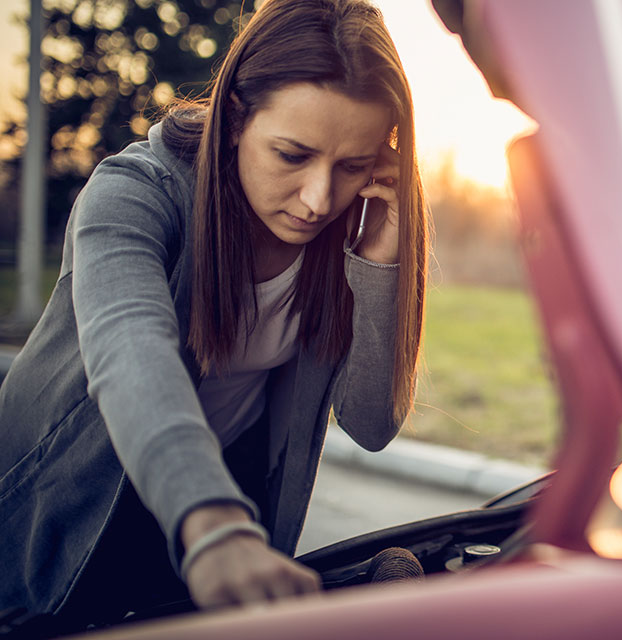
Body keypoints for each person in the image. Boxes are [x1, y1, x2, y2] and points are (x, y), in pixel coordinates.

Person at [0, 0, 427, 622]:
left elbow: (369, 423)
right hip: (61, 528)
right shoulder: (133, 192)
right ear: (233, 119)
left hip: (204, 546)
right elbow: (130, 353)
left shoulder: (353, 229)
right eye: (292, 154)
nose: (318, 199)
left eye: (353, 165)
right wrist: (214, 522)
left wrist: (381, 266)